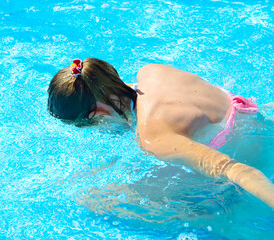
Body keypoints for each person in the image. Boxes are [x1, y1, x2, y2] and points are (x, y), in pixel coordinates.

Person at [47, 57, 274, 210]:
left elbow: (235, 170)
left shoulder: (152, 136)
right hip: (256, 113)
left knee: (102, 201)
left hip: (248, 145)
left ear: (98, 114)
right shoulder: (151, 72)